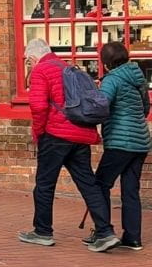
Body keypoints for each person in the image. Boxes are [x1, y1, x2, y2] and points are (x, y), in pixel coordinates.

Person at [21, 38, 118, 252]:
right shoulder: (67, 67)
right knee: (88, 184)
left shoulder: (41, 70)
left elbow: (38, 107)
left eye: (28, 61)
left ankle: (42, 232)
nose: (29, 64)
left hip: (55, 135)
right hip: (80, 134)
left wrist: (38, 133)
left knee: (45, 184)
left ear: (33, 58)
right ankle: (105, 232)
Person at [89, 42, 150, 251]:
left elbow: (101, 107)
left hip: (119, 142)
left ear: (106, 63)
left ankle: (104, 232)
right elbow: (145, 108)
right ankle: (133, 238)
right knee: (130, 190)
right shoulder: (138, 77)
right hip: (140, 142)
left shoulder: (112, 79)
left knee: (100, 185)